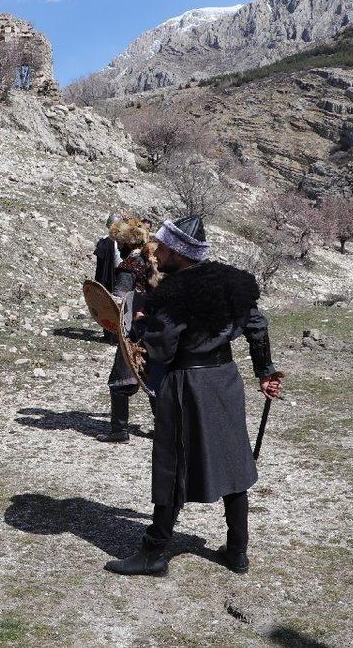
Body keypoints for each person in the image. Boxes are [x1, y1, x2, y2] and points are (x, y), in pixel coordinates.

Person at [105, 216, 283, 576]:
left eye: (163, 247)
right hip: (226, 381)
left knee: (173, 465)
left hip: (187, 383)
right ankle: (237, 552)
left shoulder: (176, 292)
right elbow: (257, 325)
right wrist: (265, 372)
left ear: (178, 252)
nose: (157, 252)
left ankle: (153, 553)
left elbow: (162, 346)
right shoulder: (230, 283)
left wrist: (141, 325)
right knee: (233, 461)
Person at [98, 218, 155, 443]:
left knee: (120, 379)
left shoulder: (128, 266)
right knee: (153, 376)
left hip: (134, 329)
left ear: (126, 244)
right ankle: (164, 428)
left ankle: (119, 430)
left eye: (120, 243)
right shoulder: (152, 261)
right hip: (154, 329)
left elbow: (120, 300)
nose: (118, 247)